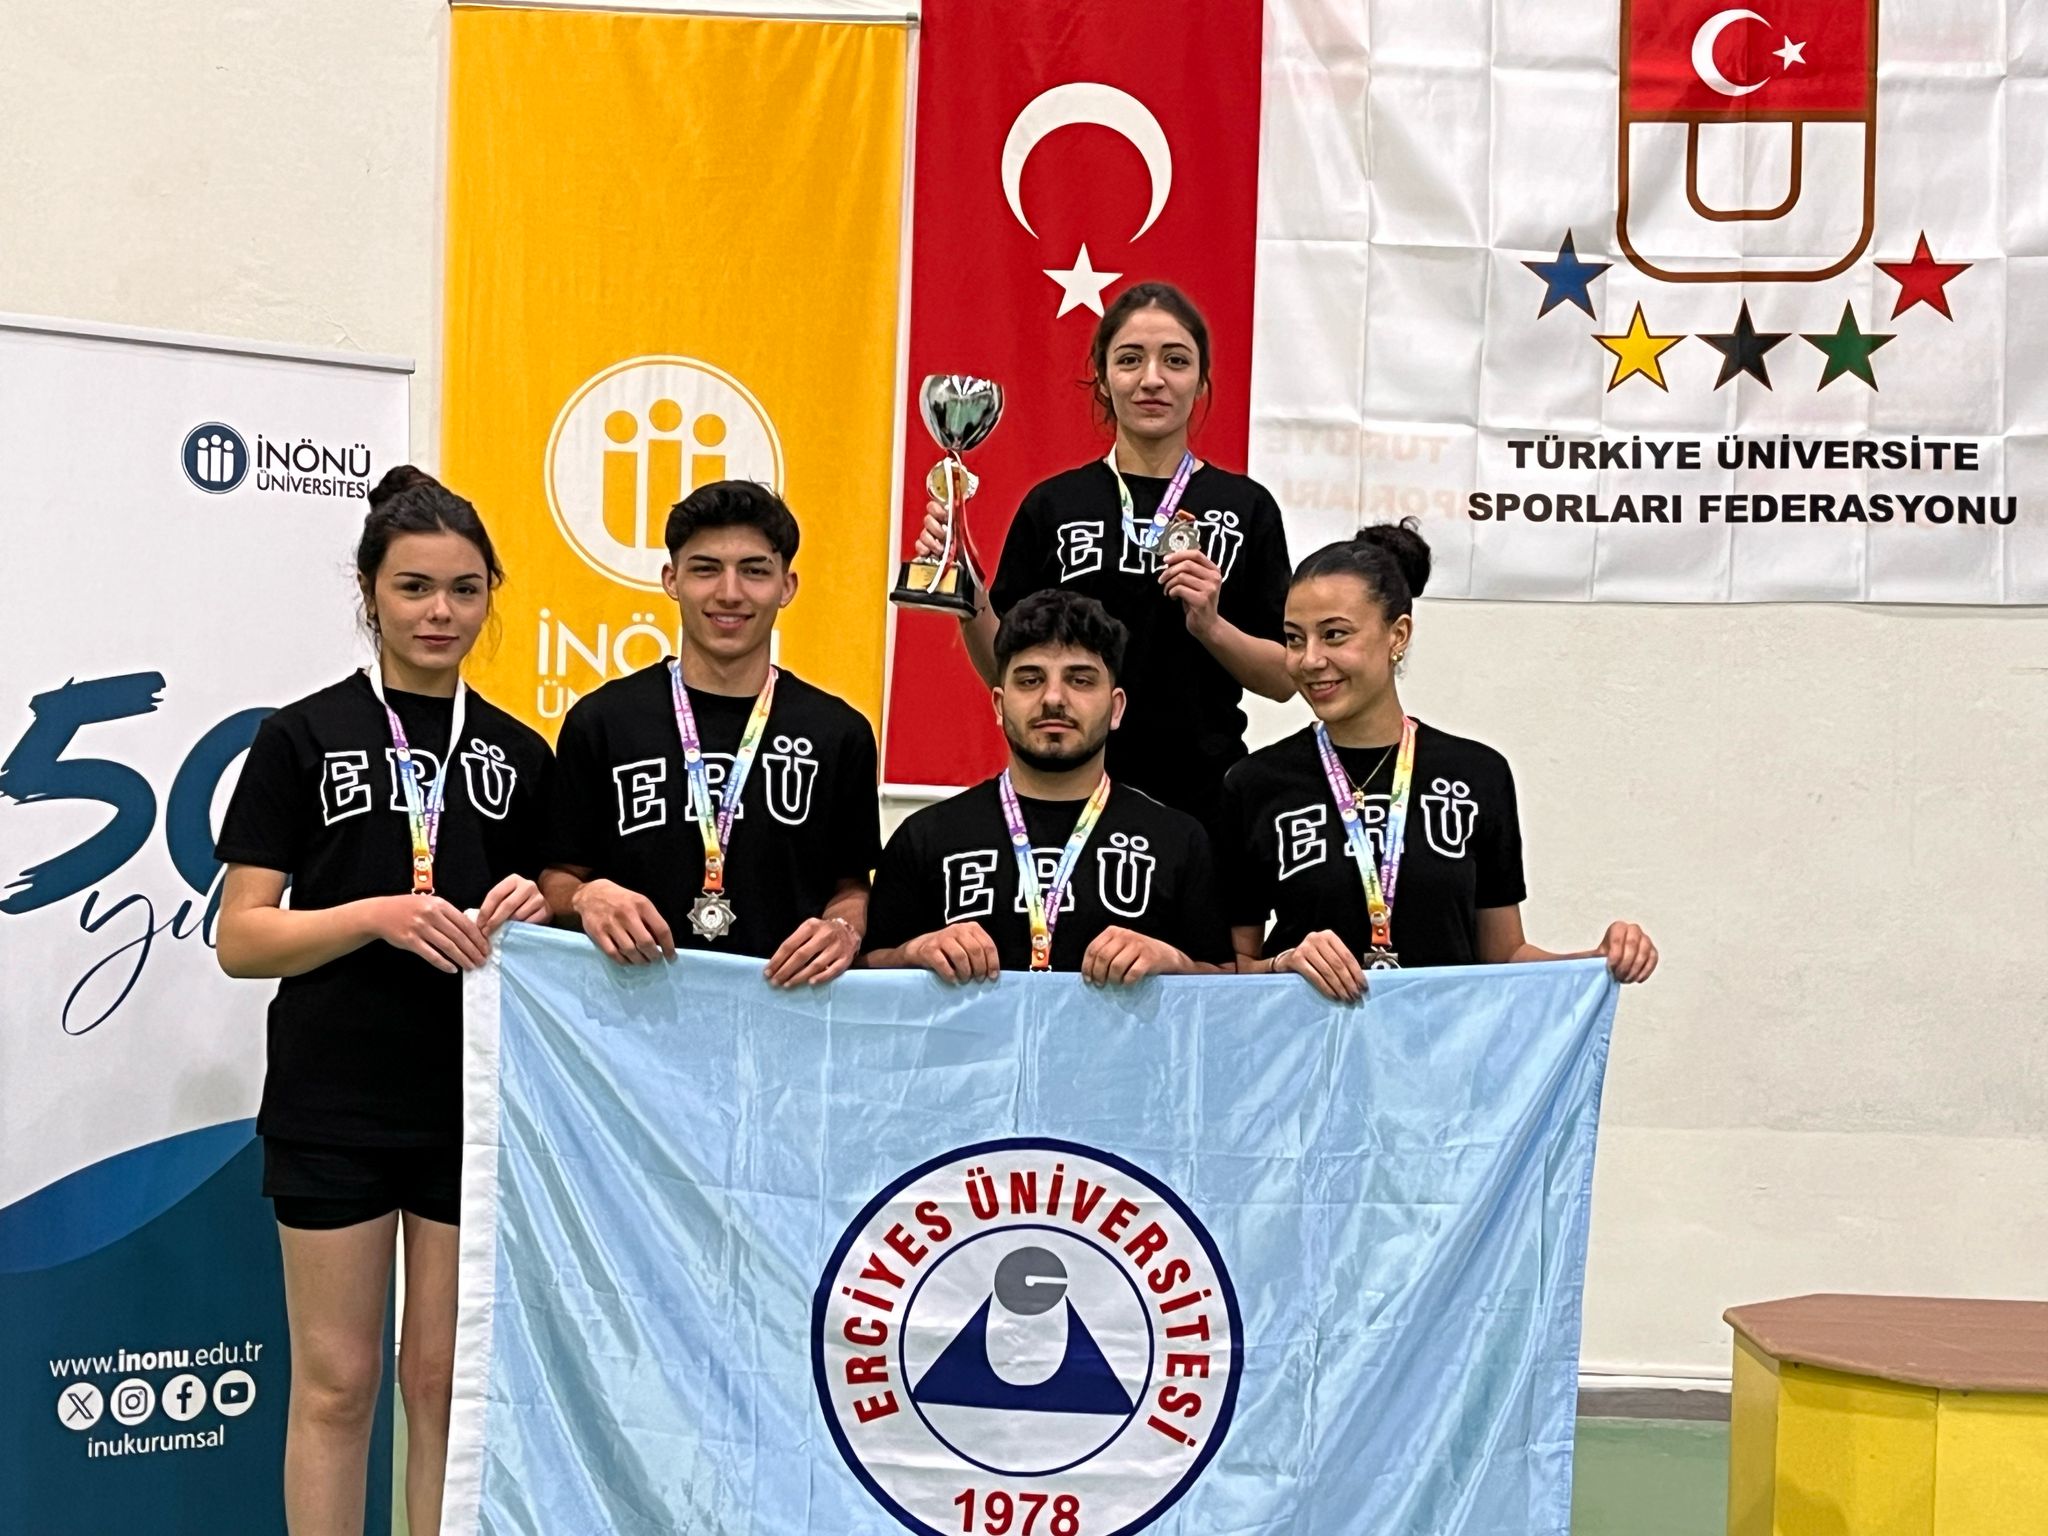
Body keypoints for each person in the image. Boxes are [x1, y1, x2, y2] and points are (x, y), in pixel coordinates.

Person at [214, 468, 554, 1536]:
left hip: (473, 1108)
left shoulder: (521, 753)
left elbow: (557, 913)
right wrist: (374, 915)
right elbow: (240, 939)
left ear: (490, 595)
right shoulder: (301, 736)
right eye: (413, 588)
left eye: (463, 589)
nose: (439, 612)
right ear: (370, 593)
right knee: (336, 1384)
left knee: (443, 1384)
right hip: (333, 1103)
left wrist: (542, 903)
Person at [1220, 521, 1659, 1001]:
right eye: (1294, 638)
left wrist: (1597, 961)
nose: (1310, 660)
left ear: (1398, 635)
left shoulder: (1478, 774)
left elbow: (1503, 956)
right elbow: (1229, 971)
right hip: (1309, 1046)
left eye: (1335, 635)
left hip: (1444, 1046)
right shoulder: (1254, 783)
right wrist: (1282, 963)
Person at [916, 280, 1294, 827]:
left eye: (1175, 360)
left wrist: (1211, 625)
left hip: (1203, 795)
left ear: (1201, 380)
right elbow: (1004, 661)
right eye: (1130, 359)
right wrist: (965, 587)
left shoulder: (1246, 507)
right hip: (1067, 788)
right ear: (1102, 376)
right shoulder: (1054, 505)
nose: (1152, 379)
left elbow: (1283, 679)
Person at [541, 480, 879, 982]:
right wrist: (587, 896)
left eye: (754, 571)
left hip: (784, 1007)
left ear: (787, 586)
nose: (730, 593)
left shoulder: (840, 733)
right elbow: (556, 878)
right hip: (628, 1012)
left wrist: (843, 929)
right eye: (705, 569)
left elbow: (851, 885)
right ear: (671, 579)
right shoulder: (601, 721)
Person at [864, 589, 1232, 982]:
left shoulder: (1178, 840)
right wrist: (912, 953)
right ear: (999, 705)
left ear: (1116, 708)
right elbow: (863, 973)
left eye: (1080, 680)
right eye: (1030, 680)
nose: (1053, 698)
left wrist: (1174, 962)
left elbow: (1227, 984)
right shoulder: (927, 838)